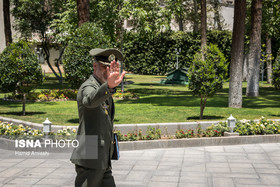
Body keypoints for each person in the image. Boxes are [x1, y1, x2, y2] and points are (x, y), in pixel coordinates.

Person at [70, 48, 125, 187]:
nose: (108, 71)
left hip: (103, 156)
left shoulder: (102, 87)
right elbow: (89, 100)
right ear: (95, 66)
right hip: (89, 152)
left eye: (110, 68)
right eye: (105, 67)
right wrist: (109, 86)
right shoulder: (88, 86)